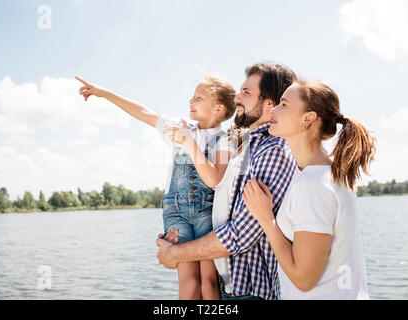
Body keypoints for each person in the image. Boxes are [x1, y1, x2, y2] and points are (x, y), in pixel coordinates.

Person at [75, 75, 237, 300]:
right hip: (177, 211)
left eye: (198, 98)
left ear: (218, 108)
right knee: (189, 281)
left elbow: (214, 179)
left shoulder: (226, 140)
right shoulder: (181, 127)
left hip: (206, 213)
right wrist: (105, 93)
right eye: (191, 97)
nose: (191, 101)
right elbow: (145, 113)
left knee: (208, 281)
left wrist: (188, 141)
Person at [156, 63, 298, 300]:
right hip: (228, 291)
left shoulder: (273, 152)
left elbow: (240, 234)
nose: (237, 97)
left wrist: (177, 253)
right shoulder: (247, 148)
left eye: (246, 92)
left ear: (269, 104)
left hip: (250, 295)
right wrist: (179, 238)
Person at [242, 79, 376, 299]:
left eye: (284, 105)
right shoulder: (326, 174)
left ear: (307, 119)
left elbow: (303, 279)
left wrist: (266, 219)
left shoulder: (313, 186)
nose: (273, 109)